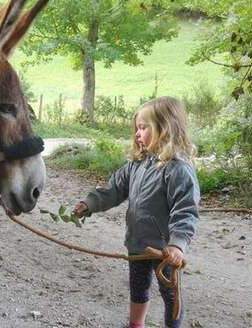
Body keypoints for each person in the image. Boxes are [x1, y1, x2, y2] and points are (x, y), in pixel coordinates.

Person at [73, 96, 200, 328]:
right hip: (137, 244)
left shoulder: (178, 170)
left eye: (143, 127)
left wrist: (177, 245)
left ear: (165, 129)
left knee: (171, 295)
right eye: (137, 128)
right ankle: (136, 325)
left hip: (164, 251)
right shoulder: (136, 164)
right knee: (138, 288)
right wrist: (89, 204)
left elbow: (186, 212)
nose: (137, 134)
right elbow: (113, 190)